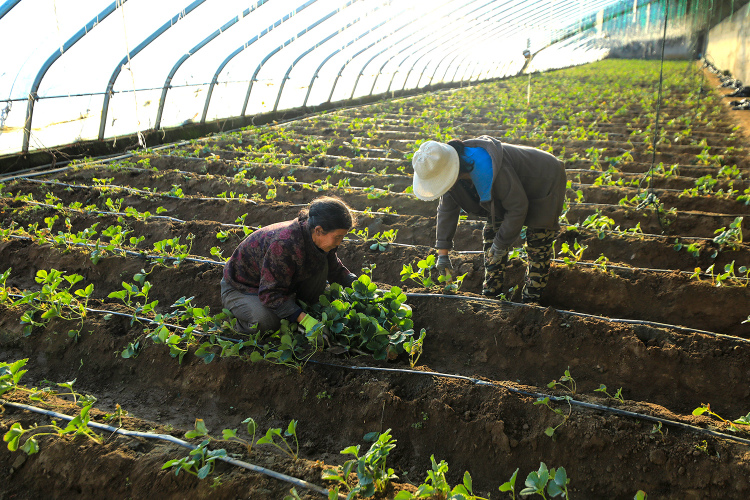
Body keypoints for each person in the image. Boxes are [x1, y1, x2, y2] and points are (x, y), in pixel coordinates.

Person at [411, 137, 566, 303]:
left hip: (543, 179)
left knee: (538, 242)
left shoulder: (489, 168)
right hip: (510, 190)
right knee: (492, 235)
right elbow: (447, 210)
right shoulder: (451, 172)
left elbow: (517, 208)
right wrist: (442, 253)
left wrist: (502, 243)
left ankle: (531, 301)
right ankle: (491, 294)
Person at [220, 196, 357, 334]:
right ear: (318, 230)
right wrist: (306, 321)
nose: (340, 242)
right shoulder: (283, 245)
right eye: (338, 236)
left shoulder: (321, 239)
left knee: (323, 265)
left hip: (278, 284)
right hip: (243, 288)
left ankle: (294, 312)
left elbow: (334, 267)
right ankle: (236, 324)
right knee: (268, 323)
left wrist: (358, 287)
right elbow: (270, 293)